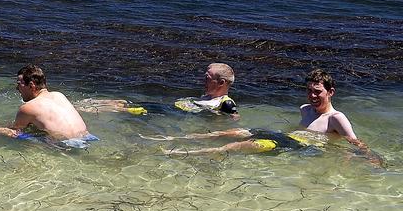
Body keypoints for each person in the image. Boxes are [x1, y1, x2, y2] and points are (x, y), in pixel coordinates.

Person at [153, 68, 379, 162]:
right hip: (285, 138)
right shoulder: (305, 109)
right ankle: (173, 139)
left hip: (296, 147)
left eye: (317, 91)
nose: (312, 95)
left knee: (232, 147)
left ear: (330, 92)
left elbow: (354, 142)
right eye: (309, 90)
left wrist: (370, 157)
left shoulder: (336, 118)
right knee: (237, 131)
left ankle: (185, 153)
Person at [0, 65, 98, 148]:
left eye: (19, 84)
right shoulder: (59, 95)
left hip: (65, 144)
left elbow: (16, 132)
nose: (17, 88)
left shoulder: (27, 107)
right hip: (87, 137)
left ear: (31, 85)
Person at [75, 63, 239, 118]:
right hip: (167, 107)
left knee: (127, 109)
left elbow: (234, 117)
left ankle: (83, 110)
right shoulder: (209, 95)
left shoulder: (226, 102)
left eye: (207, 77)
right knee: (123, 102)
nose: (203, 80)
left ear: (221, 83)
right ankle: (81, 104)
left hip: (171, 113)